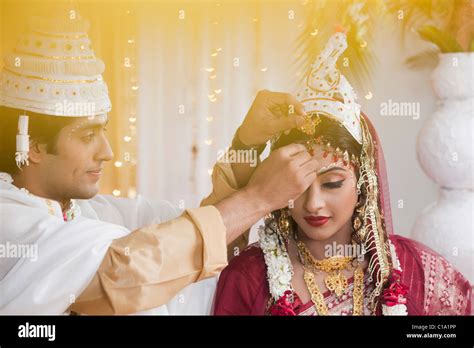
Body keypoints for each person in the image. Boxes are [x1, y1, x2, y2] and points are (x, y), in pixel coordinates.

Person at [0, 10, 317, 314]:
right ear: (33, 146)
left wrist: (246, 145)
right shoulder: (11, 223)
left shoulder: (92, 211)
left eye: (104, 132)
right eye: (87, 136)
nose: (107, 151)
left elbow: (193, 243)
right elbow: (131, 272)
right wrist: (258, 199)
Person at [212, 32, 472, 315]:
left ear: (364, 181)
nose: (313, 204)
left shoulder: (413, 269)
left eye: (332, 183)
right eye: (298, 183)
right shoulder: (249, 278)